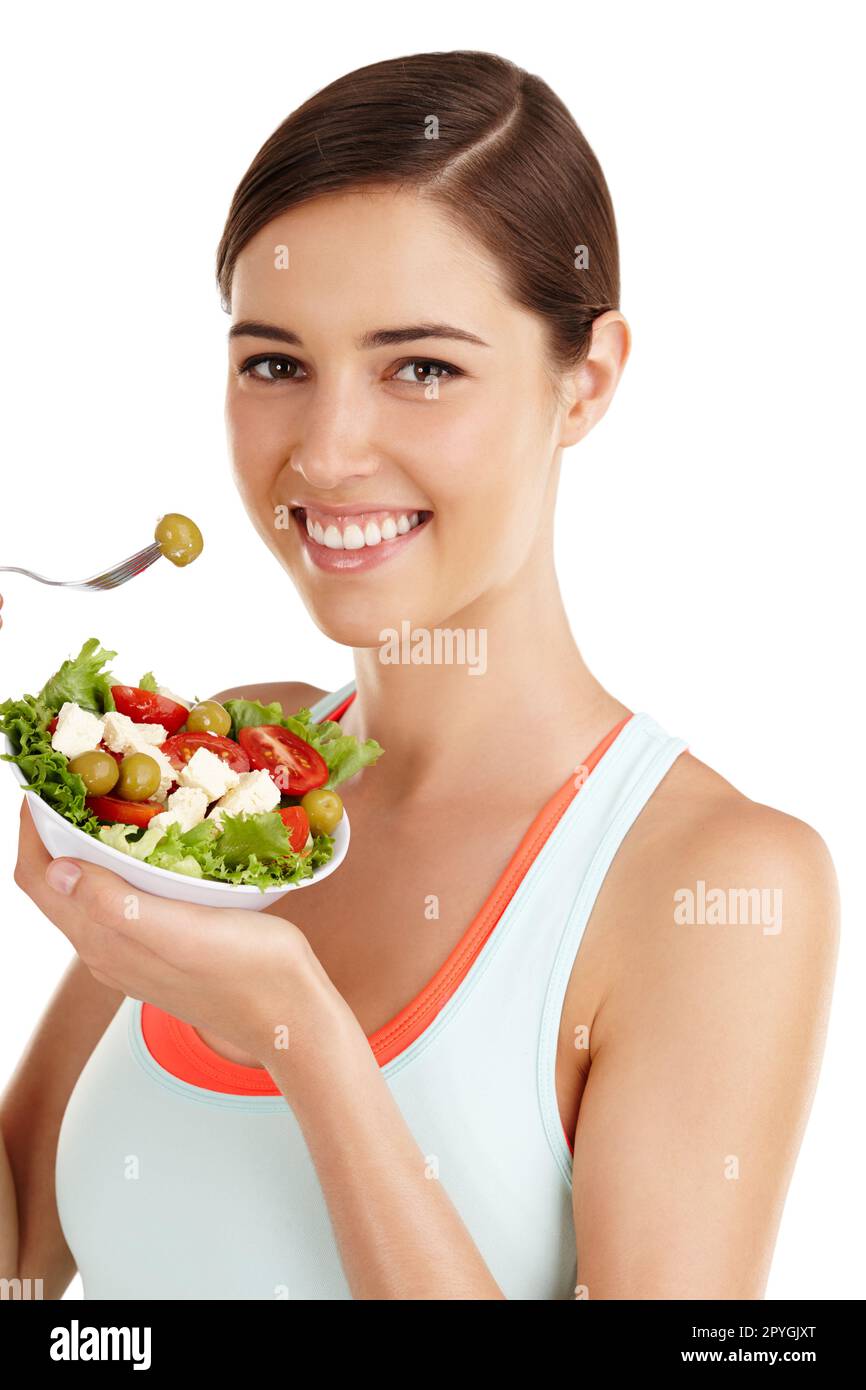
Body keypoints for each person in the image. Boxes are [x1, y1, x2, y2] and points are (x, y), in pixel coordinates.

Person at [1, 50, 839, 1301]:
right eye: (275, 363)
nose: (327, 453)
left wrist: (309, 1043)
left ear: (586, 380)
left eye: (422, 367)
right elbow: (26, 1254)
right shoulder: (243, 763)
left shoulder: (713, 886)